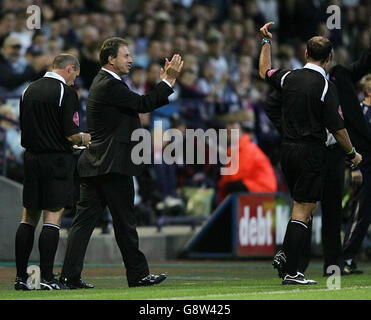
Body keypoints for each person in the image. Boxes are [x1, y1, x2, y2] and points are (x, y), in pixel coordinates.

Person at [60, 37, 183, 289]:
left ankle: (69, 276)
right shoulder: (109, 84)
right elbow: (143, 104)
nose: (131, 60)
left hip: (95, 164)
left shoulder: (105, 82)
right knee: (124, 222)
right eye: (126, 56)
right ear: (111, 59)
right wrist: (168, 81)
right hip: (112, 165)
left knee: (84, 223)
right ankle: (137, 275)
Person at [258, 22, 362, 285]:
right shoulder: (326, 86)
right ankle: (292, 269)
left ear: (306, 54)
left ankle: (288, 259)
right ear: (329, 58)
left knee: (301, 207)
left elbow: (263, 71)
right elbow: (338, 129)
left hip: (287, 151)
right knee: (303, 211)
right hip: (311, 153)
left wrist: (266, 42)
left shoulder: (288, 76)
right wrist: (352, 153)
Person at [14, 54, 91, 290]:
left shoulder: (29, 90)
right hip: (56, 160)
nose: (74, 80)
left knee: (28, 217)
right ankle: (47, 278)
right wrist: (84, 139)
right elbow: (71, 134)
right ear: (69, 69)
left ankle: (21, 278)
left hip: (31, 158)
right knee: (52, 217)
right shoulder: (65, 93)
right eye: (75, 75)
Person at [342, 74, 371, 274]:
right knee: (361, 213)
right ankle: (345, 257)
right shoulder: (359, 111)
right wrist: (354, 167)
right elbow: (350, 141)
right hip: (365, 168)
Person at [217, 121, 277, 201]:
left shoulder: (246, 149)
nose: (230, 135)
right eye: (228, 132)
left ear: (240, 132)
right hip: (255, 188)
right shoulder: (236, 150)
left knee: (233, 186)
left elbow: (236, 176)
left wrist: (222, 186)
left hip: (263, 189)